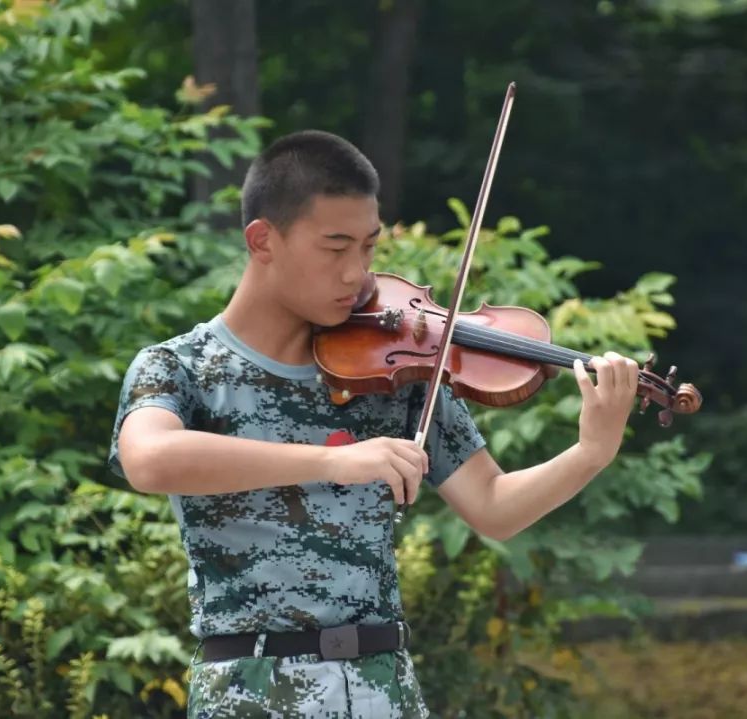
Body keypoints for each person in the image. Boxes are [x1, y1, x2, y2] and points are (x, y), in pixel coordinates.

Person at [108, 130, 639, 718]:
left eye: (368, 247)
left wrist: (590, 452)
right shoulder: (179, 366)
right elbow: (151, 459)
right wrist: (335, 461)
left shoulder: (396, 370)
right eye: (335, 248)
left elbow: (494, 506)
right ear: (263, 240)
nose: (357, 275)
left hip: (384, 687)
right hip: (251, 690)